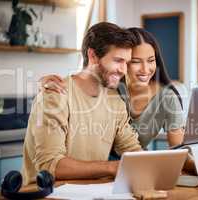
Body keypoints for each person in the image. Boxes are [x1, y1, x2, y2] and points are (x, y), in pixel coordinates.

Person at [22, 22, 143, 186]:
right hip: (47, 195)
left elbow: (132, 150)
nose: (123, 70)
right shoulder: (55, 95)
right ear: (93, 56)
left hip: (92, 193)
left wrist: (152, 164)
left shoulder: (115, 102)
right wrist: (111, 168)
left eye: (126, 63)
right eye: (118, 60)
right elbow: (50, 166)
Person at [41, 27, 185, 150]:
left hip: (126, 165)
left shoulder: (166, 98)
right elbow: (83, 81)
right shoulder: (111, 85)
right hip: (97, 168)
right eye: (135, 62)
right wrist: (46, 85)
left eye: (151, 60)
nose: (145, 69)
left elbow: (179, 152)